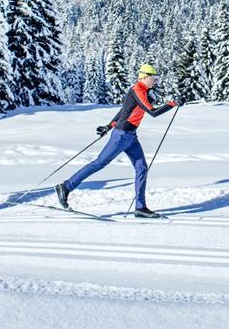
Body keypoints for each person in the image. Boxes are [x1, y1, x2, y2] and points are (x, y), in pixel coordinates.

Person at [55, 64, 178, 218]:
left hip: (130, 136)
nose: (155, 80)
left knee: (142, 168)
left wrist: (108, 126)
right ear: (145, 77)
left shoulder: (141, 91)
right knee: (99, 163)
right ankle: (66, 187)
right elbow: (152, 112)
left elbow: (123, 110)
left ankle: (140, 207)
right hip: (121, 136)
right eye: (154, 77)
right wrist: (172, 104)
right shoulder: (138, 90)